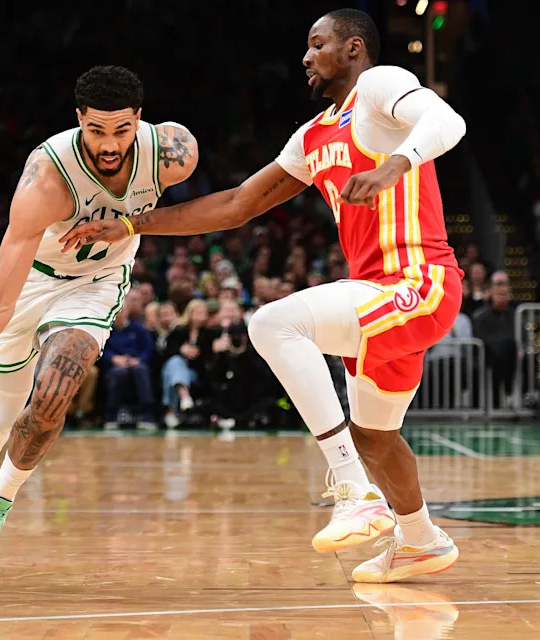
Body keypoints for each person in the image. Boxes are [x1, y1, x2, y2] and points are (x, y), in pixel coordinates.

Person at [61, 10, 465, 583]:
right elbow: (234, 206)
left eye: (317, 44)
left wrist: (394, 167)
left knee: (274, 323)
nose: (306, 56)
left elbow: (447, 120)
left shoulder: (381, 87)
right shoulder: (314, 135)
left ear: (353, 48)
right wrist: (131, 223)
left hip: (418, 283)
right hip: (376, 298)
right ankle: (422, 540)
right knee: (376, 436)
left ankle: (352, 490)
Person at [0, 65, 198, 575]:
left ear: (140, 120)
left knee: (56, 386)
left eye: (122, 130)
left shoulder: (172, 153)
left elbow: (201, 215)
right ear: (79, 121)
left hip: (96, 282)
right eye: (96, 130)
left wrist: (127, 226)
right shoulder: (47, 179)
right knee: (0, 410)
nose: (110, 144)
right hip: (33, 280)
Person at [100, 300, 156, 430]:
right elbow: (101, 350)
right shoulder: (106, 330)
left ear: (127, 312)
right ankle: (111, 414)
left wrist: (138, 359)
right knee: (118, 372)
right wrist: (113, 358)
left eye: (122, 311)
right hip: (115, 365)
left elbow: (149, 350)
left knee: (140, 370)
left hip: (136, 362)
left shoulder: (139, 329)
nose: (120, 314)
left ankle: (148, 414)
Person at [160, 298, 213, 428]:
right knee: (175, 363)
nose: (200, 316)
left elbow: (207, 360)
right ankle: (184, 396)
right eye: (197, 313)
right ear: (190, 313)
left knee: (173, 375)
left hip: (193, 372)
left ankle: (170, 412)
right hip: (170, 368)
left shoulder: (208, 334)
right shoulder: (178, 330)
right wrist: (181, 350)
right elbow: (165, 353)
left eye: (203, 313)